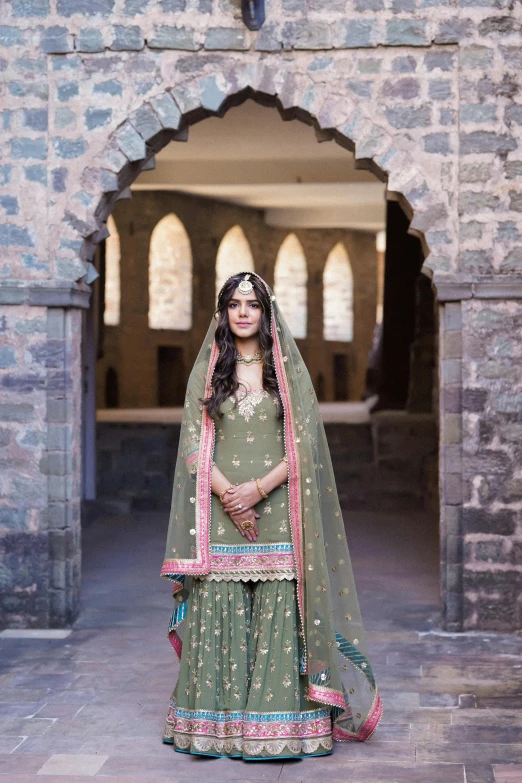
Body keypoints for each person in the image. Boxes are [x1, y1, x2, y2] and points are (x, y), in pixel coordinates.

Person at [161, 272, 382, 760]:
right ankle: (215, 728)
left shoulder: (285, 371)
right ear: (223, 313)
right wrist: (230, 498)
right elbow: (194, 445)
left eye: (252, 304)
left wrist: (257, 491)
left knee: (279, 602)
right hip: (220, 512)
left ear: (266, 312)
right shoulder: (208, 370)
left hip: (280, 507)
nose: (243, 312)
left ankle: (280, 728)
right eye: (234, 304)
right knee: (220, 603)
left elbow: (306, 445)